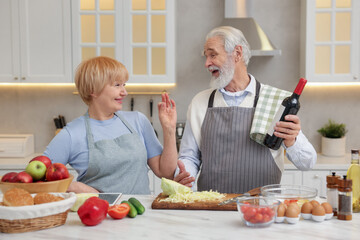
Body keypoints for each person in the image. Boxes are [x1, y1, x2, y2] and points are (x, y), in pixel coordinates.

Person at [174, 26, 317, 193]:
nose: (207, 63)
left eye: (213, 55)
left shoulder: (275, 101)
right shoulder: (200, 102)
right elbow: (189, 157)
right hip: (211, 210)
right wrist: (185, 176)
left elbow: (307, 163)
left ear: (237, 53)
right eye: (206, 56)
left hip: (263, 209)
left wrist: (292, 141)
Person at [44, 56, 177, 194]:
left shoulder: (138, 121)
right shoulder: (72, 134)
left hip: (141, 213)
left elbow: (166, 173)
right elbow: (36, 177)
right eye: (117, 85)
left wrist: (169, 129)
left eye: (124, 85)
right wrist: (73, 187)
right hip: (98, 213)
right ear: (93, 90)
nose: (124, 92)